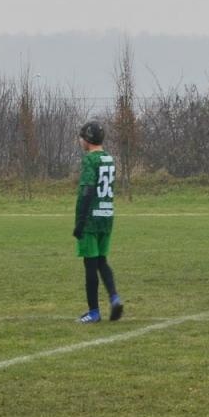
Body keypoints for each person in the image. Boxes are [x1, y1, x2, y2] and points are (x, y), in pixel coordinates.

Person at [73, 120, 124, 322]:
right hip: (107, 216)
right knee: (102, 261)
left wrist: (80, 222)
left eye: (82, 137)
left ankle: (94, 312)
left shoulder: (90, 160)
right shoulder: (109, 159)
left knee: (90, 264)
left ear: (87, 139)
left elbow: (86, 191)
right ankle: (114, 298)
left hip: (91, 219)